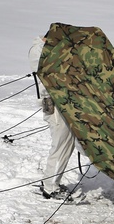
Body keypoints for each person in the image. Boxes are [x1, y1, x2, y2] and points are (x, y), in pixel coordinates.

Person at [29, 36, 78, 199]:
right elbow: (49, 76)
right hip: (55, 104)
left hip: (60, 103)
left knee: (66, 143)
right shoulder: (39, 50)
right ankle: (51, 187)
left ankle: (52, 182)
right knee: (61, 144)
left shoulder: (44, 49)